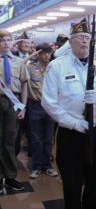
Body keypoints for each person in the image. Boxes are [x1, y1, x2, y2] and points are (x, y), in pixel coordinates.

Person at [42, 18, 96, 209]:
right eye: (79, 38)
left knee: (95, 182)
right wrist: (74, 123)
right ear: (71, 41)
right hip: (71, 134)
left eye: (87, 38)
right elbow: (49, 103)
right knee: (73, 183)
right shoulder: (58, 66)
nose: (84, 42)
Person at [0, 29, 29, 194]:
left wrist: (23, 107)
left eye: (8, 40)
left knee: (10, 141)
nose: (6, 43)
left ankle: (10, 176)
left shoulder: (19, 62)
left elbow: (24, 85)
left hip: (13, 102)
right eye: (2, 40)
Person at [27, 43, 57, 179]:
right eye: (43, 53)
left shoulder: (54, 68)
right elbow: (17, 66)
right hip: (35, 106)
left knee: (49, 138)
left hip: (51, 106)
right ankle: (37, 167)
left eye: (49, 53)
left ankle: (47, 166)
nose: (47, 55)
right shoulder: (30, 68)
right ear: (38, 54)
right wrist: (31, 55)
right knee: (36, 139)